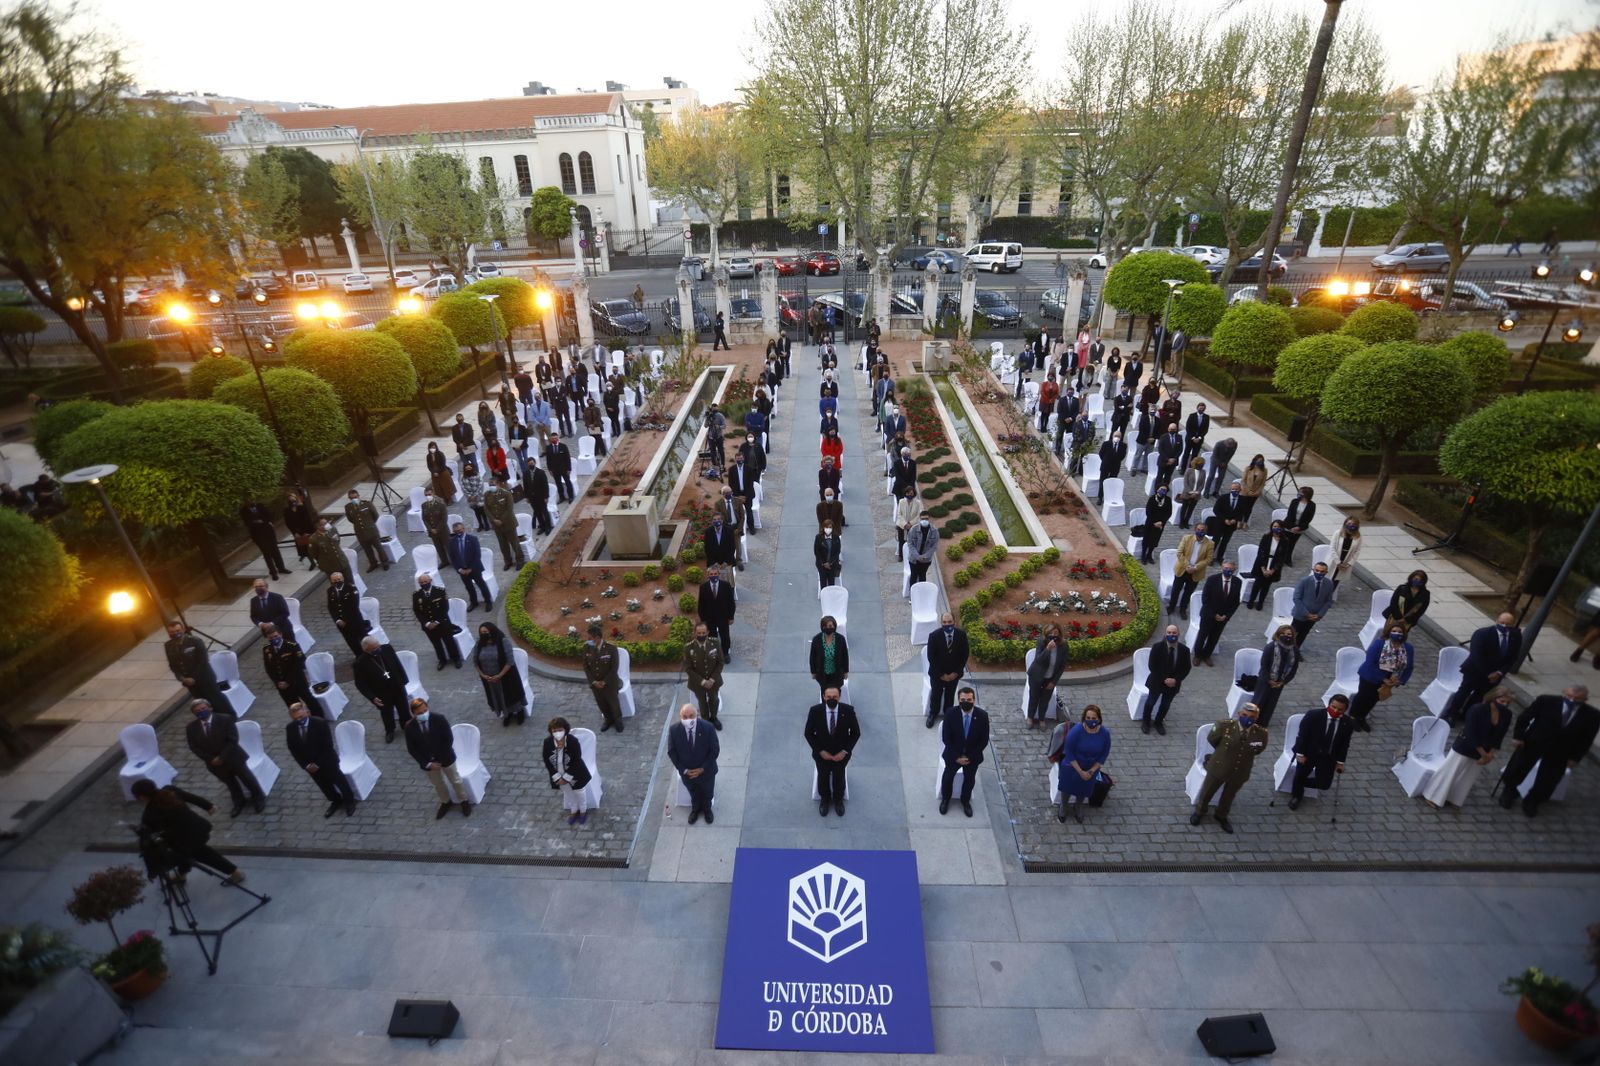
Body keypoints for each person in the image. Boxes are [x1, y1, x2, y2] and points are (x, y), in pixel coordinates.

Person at [1498, 684, 1598, 816]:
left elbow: (1586, 739)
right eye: (1569, 696)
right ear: (1564, 693)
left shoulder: (1592, 715)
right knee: (1518, 768)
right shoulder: (1546, 701)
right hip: (1533, 743)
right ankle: (1509, 792)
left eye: (1577, 699)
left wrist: (1575, 757)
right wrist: (1518, 736)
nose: (1572, 700)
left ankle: (1533, 800)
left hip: (1561, 751)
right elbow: (1524, 717)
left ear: (1585, 699)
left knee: (1548, 779)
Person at [129, 779, 245, 884]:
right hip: (199, 827)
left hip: (187, 840)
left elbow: (150, 834)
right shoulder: (169, 790)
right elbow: (190, 797)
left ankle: (236, 874)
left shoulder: (149, 815)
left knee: (205, 856)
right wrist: (208, 806)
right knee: (184, 854)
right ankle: (182, 875)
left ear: (142, 797)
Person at [1422, 687, 1513, 809]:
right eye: (1502, 701)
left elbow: (1500, 735)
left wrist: (1490, 753)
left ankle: (1452, 797)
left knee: (1468, 776)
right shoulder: (1477, 709)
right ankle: (1432, 795)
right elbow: (1471, 733)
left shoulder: (1507, 714)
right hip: (1466, 746)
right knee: (1451, 771)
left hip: (1485, 749)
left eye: (1507, 703)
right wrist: (1483, 754)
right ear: (1493, 698)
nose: (1505, 705)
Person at [1189, 702, 1268, 833]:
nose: (1247, 718)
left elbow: (1258, 749)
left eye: (1252, 717)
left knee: (1229, 795)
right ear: (1239, 714)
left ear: (1256, 718)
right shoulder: (1224, 726)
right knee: (1208, 791)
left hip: (1241, 770)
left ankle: (1221, 815)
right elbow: (1213, 739)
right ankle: (1200, 811)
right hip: (1220, 766)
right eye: (1244, 715)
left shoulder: (1261, 733)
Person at [183, 699, 265, 817]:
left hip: (233, 757)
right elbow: (194, 747)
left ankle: (258, 797)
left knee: (247, 778)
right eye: (197, 711)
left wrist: (221, 756)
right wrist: (211, 759)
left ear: (210, 708)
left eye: (203, 709)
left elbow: (233, 740)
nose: (201, 712)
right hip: (214, 763)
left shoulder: (225, 719)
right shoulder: (191, 728)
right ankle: (238, 801)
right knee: (230, 783)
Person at [1443, 613, 1524, 724]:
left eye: (1508, 624)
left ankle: (1466, 715)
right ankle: (1451, 714)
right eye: (1502, 623)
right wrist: (1488, 673)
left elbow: (1513, 657)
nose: (1504, 626)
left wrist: (1500, 673)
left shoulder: (1516, 636)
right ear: (1497, 621)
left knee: (1480, 695)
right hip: (1475, 670)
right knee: (1464, 692)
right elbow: (1477, 656)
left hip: (1495, 675)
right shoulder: (1482, 633)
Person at [404, 698, 472, 819]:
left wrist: (438, 760)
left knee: (455, 780)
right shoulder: (409, 727)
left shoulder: (439, 719)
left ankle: (463, 800)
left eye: (425, 710)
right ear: (413, 714)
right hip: (428, 763)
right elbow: (412, 749)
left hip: (446, 758)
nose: (423, 714)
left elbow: (448, 740)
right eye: (419, 713)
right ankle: (445, 801)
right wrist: (428, 764)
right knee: (438, 784)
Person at [284, 701, 356, 817]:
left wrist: (317, 763)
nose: (299, 720)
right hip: (310, 765)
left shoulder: (320, 723)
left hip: (327, 761)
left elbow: (327, 746)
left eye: (301, 717)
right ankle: (335, 800)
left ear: (307, 713)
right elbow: (293, 748)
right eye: (295, 718)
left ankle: (349, 801)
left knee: (339, 781)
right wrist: (306, 765)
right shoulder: (290, 728)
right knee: (324, 785)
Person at [1287, 694, 1352, 810]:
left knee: (1324, 784)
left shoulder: (1348, 723)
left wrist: (1341, 762)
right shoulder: (1313, 715)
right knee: (1300, 774)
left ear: (1345, 710)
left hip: (1328, 756)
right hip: (1308, 753)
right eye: (1333, 707)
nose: (1335, 711)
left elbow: (1344, 744)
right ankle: (1296, 795)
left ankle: (1299, 782)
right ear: (1329, 704)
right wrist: (1300, 754)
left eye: (1340, 709)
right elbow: (1302, 736)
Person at [806, 685, 860, 817]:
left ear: (840, 697)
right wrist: (820, 751)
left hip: (841, 755)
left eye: (834, 697)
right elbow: (808, 733)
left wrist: (844, 751)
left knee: (839, 776)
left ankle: (838, 799)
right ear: (823, 697)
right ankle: (824, 799)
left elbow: (855, 733)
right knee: (823, 776)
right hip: (821, 755)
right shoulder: (815, 711)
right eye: (828, 697)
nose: (831, 699)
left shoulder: (848, 711)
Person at [1349, 624, 1415, 732]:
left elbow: (1409, 666)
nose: (1397, 634)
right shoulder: (1379, 644)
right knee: (1363, 697)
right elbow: (1370, 663)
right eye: (1394, 631)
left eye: (1400, 632)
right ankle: (1353, 717)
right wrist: (1383, 678)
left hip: (1389, 678)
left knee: (1374, 698)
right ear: (1389, 632)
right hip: (1370, 675)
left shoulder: (1408, 648)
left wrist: (1401, 680)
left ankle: (1362, 717)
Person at [1049, 704, 1109, 823]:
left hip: (1091, 768)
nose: (1091, 721)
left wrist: (1091, 771)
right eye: (1088, 718)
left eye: (1094, 718)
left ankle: (1078, 806)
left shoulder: (1105, 734)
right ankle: (1063, 805)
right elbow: (1069, 753)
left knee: (1083, 789)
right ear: (1084, 718)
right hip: (1072, 766)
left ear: (1099, 719)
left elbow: (1104, 754)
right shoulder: (1076, 732)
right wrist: (1080, 771)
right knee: (1067, 788)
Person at [938, 686, 989, 817]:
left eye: (969, 699)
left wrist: (969, 758)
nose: (966, 702)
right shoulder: (950, 714)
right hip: (953, 755)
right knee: (948, 777)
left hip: (972, 757)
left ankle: (965, 801)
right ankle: (945, 799)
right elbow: (946, 739)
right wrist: (957, 757)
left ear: (974, 700)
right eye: (963, 699)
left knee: (969, 780)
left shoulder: (982, 716)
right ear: (958, 700)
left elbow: (983, 741)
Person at [164, 621, 233, 715]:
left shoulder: (195, 641)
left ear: (183, 629)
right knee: (202, 703)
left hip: (205, 678)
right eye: (172, 632)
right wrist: (182, 678)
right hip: (189, 682)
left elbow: (202, 662)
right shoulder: (168, 646)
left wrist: (194, 678)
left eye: (177, 630)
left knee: (217, 700)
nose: (175, 633)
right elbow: (173, 665)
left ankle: (230, 717)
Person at [352, 635, 411, 743]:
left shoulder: (387, 648)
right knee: (386, 713)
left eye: (378, 646)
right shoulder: (359, 663)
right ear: (366, 650)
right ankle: (390, 730)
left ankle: (406, 724)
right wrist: (372, 697)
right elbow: (360, 684)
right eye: (374, 648)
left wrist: (403, 680)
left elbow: (397, 664)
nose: (378, 649)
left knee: (403, 707)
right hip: (381, 693)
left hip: (397, 686)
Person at [668, 703, 719, 825]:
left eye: (691, 716)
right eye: (685, 717)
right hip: (688, 773)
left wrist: (702, 769)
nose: (688, 719)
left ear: (697, 715)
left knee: (708, 792)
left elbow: (714, 750)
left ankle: (707, 810)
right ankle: (695, 809)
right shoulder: (674, 730)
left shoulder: (708, 728)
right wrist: (684, 770)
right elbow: (672, 752)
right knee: (693, 792)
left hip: (706, 771)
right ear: (680, 717)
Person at [1140, 624, 1192, 735]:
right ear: (1165, 633)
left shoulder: (1185, 650)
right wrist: (1165, 679)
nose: (1171, 635)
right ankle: (1146, 722)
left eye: (1174, 633)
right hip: (1157, 681)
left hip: (1173, 684)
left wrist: (1176, 680)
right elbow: (1152, 666)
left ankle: (1158, 722)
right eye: (1169, 633)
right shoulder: (1157, 647)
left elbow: (1186, 668)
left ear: (1178, 634)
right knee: (1150, 702)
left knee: (1165, 705)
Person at [542, 717, 593, 826]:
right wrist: (557, 777)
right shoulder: (547, 742)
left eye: (560, 730)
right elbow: (547, 761)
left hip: (575, 772)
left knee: (579, 791)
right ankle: (574, 809)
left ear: (565, 729)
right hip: (558, 773)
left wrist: (566, 777)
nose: (557, 733)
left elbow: (577, 761)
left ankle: (583, 810)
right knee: (567, 792)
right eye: (554, 731)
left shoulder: (573, 742)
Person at [474, 621, 527, 726]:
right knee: (498, 697)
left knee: (511, 696)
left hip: (506, 676)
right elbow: (475, 662)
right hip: (489, 680)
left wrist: (499, 675)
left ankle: (520, 712)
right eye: (481, 632)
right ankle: (508, 714)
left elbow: (509, 661)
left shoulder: (503, 642)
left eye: (485, 631)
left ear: (492, 631)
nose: (483, 634)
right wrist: (484, 676)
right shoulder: (479, 644)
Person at [1192, 560, 1242, 667]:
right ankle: (1198, 655)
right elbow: (1205, 599)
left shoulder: (1238, 582)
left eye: (1230, 569)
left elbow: (1235, 602)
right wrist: (1214, 614)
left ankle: (1206, 655)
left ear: (1234, 570)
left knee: (1214, 637)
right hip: (1208, 615)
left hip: (1223, 617)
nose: (1227, 570)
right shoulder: (1212, 580)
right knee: (1202, 635)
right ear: (1222, 568)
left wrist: (1226, 616)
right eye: (1225, 568)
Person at [926, 612, 969, 727]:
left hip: (954, 674)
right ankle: (933, 714)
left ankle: (948, 715)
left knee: (950, 696)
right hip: (937, 674)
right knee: (936, 695)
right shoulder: (934, 636)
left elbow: (964, 655)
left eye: (949, 622)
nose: (947, 624)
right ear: (941, 623)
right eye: (944, 622)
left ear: (954, 622)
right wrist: (941, 675)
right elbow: (931, 658)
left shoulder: (961, 635)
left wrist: (955, 673)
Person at [411, 574, 461, 672]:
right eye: (421, 583)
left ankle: (455, 658)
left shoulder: (440, 591)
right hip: (428, 626)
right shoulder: (416, 595)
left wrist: (437, 622)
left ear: (430, 580)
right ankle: (442, 660)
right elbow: (417, 611)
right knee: (436, 644)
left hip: (442, 623)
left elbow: (444, 608)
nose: (424, 584)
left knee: (449, 642)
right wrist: (427, 623)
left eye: (425, 582)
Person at [1253, 625, 1301, 727]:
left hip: (1279, 683)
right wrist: (1269, 680)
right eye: (1283, 634)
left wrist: (1283, 682)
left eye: (1289, 634)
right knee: (1259, 702)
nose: (1286, 636)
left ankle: (1262, 725)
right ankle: (1251, 722)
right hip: (1265, 681)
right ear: (1278, 635)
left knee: (1270, 704)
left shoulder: (1295, 650)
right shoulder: (1270, 647)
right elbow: (1264, 666)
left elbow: (1293, 669)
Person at [260, 623, 316, 710]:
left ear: (280, 634)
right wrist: (277, 682)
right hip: (282, 685)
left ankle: (319, 719)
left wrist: (288, 681)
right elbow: (269, 668)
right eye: (271, 638)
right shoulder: (267, 649)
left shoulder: (292, 646)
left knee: (310, 701)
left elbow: (298, 665)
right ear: (267, 638)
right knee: (293, 706)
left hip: (297, 681)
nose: (274, 639)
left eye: (275, 636)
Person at [582, 623, 625, 732]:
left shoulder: (611, 648)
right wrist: (593, 681)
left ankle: (618, 720)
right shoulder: (587, 648)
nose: (588, 640)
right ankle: (608, 719)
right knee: (601, 703)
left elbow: (614, 668)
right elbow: (586, 666)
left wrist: (604, 682)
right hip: (595, 684)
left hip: (610, 683)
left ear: (597, 637)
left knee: (613, 703)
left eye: (590, 638)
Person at [683, 622, 725, 729]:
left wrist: (711, 679)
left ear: (708, 632)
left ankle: (714, 718)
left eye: (703, 632)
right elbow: (688, 668)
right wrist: (702, 681)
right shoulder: (689, 648)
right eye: (699, 633)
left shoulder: (714, 643)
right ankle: (705, 721)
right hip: (698, 683)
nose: (701, 635)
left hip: (713, 681)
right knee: (702, 702)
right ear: (695, 633)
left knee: (714, 699)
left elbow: (720, 662)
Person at [1245, 519, 1293, 610]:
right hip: (1262, 563)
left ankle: (1260, 602)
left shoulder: (1285, 540)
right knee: (1257, 584)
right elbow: (1261, 552)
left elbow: (1282, 557)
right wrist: (1263, 568)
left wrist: (1273, 570)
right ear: (1271, 527)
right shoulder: (1266, 537)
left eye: (1279, 527)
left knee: (1266, 586)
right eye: (1275, 526)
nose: (1276, 528)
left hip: (1273, 565)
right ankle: (1251, 600)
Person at [1026, 626, 1068, 728]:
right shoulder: (1042, 642)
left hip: (1050, 677)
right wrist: (1048, 649)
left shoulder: (1063, 645)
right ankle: (1030, 717)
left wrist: (1053, 682)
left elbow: (1062, 666)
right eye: (1051, 633)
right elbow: (1039, 660)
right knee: (1034, 697)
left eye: (1056, 633)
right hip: (1036, 675)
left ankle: (1041, 719)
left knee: (1045, 699)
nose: (1054, 635)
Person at [1168, 522, 1213, 615]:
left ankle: (1183, 609)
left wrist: (1195, 567)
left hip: (1196, 572)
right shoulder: (1187, 538)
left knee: (1188, 592)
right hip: (1182, 569)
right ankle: (1171, 606)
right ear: (1195, 530)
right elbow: (1179, 553)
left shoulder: (1210, 543)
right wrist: (1187, 566)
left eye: (1203, 530)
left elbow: (1209, 559)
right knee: (1176, 590)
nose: (1200, 532)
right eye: (1199, 530)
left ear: (1206, 531)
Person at [448, 521, 493, 610]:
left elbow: (477, 556)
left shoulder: (472, 539)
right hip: (462, 570)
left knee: (481, 585)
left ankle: (488, 601)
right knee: (469, 587)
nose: (458, 533)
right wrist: (459, 569)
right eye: (456, 531)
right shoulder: (452, 542)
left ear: (464, 529)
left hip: (474, 568)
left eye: (460, 530)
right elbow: (452, 558)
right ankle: (474, 602)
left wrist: (471, 568)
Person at [240, 498, 288, 579]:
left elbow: (269, 516)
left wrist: (263, 521)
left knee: (275, 550)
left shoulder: (260, 506)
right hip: (258, 535)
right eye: (249, 500)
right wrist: (257, 522)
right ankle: (273, 572)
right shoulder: (244, 511)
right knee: (267, 553)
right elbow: (248, 523)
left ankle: (281, 568)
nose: (251, 501)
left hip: (268, 531)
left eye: (252, 499)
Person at [1290, 561, 1335, 647]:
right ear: (1313, 570)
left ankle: (1296, 650)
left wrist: (1319, 614)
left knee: (1303, 634)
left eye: (1322, 571)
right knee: (1293, 634)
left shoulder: (1329, 583)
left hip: (1315, 616)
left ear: (1326, 572)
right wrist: (1307, 614)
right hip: (1300, 614)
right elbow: (1297, 598)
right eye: (1317, 570)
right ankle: (1287, 650)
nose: (1319, 573)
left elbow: (1328, 601)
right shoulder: (1304, 581)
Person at [342, 489, 387, 572]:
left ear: (358, 496)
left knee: (378, 547)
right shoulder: (348, 507)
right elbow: (350, 519)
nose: (354, 499)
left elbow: (375, 516)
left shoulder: (367, 504)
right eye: (352, 498)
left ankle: (385, 562)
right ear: (349, 498)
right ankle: (373, 563)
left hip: (371, 530)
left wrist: (369, 524)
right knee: (367, 550)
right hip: (360, 532)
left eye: (355, 497)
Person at [327, 571, 369, 656]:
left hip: (355, 621)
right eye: (334, 580)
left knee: (364, 639)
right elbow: (331, 607)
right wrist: (338, 620)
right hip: (342, 624)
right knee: (351, 642)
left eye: (339, 579)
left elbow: (354, 606)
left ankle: (370, 655)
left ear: (343, 579)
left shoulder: (351, 588)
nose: (337, 581)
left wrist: (345, 620)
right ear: (331, 581)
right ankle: (360, 658)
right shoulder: (330, 591)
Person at [809, 616, 849, 702]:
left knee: (836, 692)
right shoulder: (816, 639)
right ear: (822, 627)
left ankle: (836, 708)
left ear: (834, 626)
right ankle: (825, 709)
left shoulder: (840, 639)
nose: (828, 628)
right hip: (823, 673)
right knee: (825, 692)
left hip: (837, 672)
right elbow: (812, 657)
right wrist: (813, 672)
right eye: (825, 626)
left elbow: (845, 655)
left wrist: (846, 671)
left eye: (830, 626)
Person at [1209, 480, 1247, 559]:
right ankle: (1210, 557)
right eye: (1233, 489)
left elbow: (1242, 512)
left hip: (1231, 526)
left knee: (1225, 542)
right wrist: (1224, 519)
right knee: (1215, 541)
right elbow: (1216, 510)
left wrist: (1235, 520)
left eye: (1236, 489)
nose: (1234, 491)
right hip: (1220, 523)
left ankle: (1220, 557)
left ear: (1240, 490)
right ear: (1230, 489)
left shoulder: (1242, 500)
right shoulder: (1223, 498)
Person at [283, 490, 317, 569]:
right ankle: (312, 562)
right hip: (298, 532)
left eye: (293, 499)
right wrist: (294, 532)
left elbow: (307, 520)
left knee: (313, 547)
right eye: (290, 500)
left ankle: (319, 561)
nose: (292, 501)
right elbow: (288, 523)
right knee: (304, 548)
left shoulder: (301, 508)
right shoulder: (286, 511)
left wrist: (307, 532)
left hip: (306, 530)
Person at [1281, 486, 1316, 563]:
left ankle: (1287, 559)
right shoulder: (1294, 501)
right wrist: (1292, 527)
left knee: (1292, 544)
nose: (1298, 494)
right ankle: (1280, 559)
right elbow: (1289, 514)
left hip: (1299, 529)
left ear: (1306, 495)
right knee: (1284, 542)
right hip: (1289, 525)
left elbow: (1309, 518)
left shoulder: (1312, 505)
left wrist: (1299, 527)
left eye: (1300, 492)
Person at [1141, 485, 1172, 564]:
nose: (1163, 491)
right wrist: (1154, 523)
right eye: (1161, 489)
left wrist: (1161, 522)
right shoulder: (1152, 499)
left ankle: (1149, 555)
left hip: (1160, 524)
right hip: (1150, 523)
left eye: (1165, 490)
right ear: (1158, 489)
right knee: (1146, 539)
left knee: (1155, 540)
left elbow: (1169, 513)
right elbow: (1148, 512)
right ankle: (1143, 555)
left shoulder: (1168, 500)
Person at [905, 513, 939, 587]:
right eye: (923, 519)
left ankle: (921, 594)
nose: (924, 520)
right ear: (920, 519)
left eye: (926, 519)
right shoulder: (913, 529)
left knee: (922, 577)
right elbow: (910, 544)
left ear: (929, 519)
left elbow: (934, 546)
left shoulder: (934, 531)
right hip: (914, 559)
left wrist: (925, 556)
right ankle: (912, 596)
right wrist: (917, 556)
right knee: (913, 577)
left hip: (926, 560)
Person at [1095, 432, 1127, 504]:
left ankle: (1108, 496)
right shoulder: (1106, 444)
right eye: (1116, 436)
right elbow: (1101, 454)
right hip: (1105, 466)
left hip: (1115, 467)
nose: (1117, 437)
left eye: (1119, 436)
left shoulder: (1123, 445)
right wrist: (1106, 460)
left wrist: (1116, 460)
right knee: (1102, 482)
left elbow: (1122, 456)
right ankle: (1100, 497)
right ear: (1113, 436)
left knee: (1112, 482)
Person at [1175, 456, 1206, 528]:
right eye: (1200, 465)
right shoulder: (1189, 470)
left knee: (1190, 509)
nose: (1201, 466)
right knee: (1184, 508)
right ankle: (1181, 522)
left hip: (1196, 495)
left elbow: (1202, 484)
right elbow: (1186, 483)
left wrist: (1197, 492)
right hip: (1187, 493)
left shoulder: (1203, 472)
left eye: (1202, 465)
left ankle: (1186, 522)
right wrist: (1190, 492)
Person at [1237, 454, 1267, 529]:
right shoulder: (1248, 469)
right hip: (1245, 491)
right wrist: (1248, 490)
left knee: (1249, 507)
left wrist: (1258, 491)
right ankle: (1239, 521)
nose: (1260, 462)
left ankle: (1245, 522)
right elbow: (1243, 481)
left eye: (1262, 461)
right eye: (1259, 461)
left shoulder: (1264, 471)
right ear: (1255, 460)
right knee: (1242, 507)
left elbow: (1262, 483)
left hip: (1255, 493)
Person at [420, 486, 450, 559]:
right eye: (426, 495)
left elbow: (444, 518)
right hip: (432, 531)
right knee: (438, 547)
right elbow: (424, 518)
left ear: (433, 493)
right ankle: (444, 561)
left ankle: (453, 561)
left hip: (442, 530)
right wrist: (430, 529)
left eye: (429, 494)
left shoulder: (440, 504)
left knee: (448, 546)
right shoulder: (424, 505)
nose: (428, 496)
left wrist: (437, 529)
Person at [461, 457, 489, 532]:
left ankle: (486, 523)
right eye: (467, 468)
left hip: (479, 497)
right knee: (477, 512)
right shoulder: (463, 478)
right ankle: (480, 524)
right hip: (471, 499)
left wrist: (475, 495)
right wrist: (470, 496)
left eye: (470, 468)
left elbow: (480, 486)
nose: (468, 470)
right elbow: (463, 488)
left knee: (483, 511)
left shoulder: (477, 475)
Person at [814, 522, 843, 589]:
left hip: (832, 564)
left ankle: (831, 596)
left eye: (830, 527)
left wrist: (830, 563)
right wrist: (824, 563)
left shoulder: (836, 538)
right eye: (826, 527)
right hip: (821, 564)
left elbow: (837, 552)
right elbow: (817, 552)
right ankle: (823, 595)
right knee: (823, 580)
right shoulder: (818, 537)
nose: (828, 529)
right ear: (823, 528)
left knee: (831, 580)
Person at [546, 434, 574, 503]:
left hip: (564, 469)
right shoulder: (548, 448)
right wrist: (550, 469)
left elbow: (567, 458)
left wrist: (569, 468)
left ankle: (571, 497)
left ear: (558, 438)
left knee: (568, 483)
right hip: (555, 470)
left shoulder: (563, 446)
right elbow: (548, 460)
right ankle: (562, 497)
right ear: (551, 439)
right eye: (553, 439)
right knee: (558, 484)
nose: (554, 440)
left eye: (555, 438)